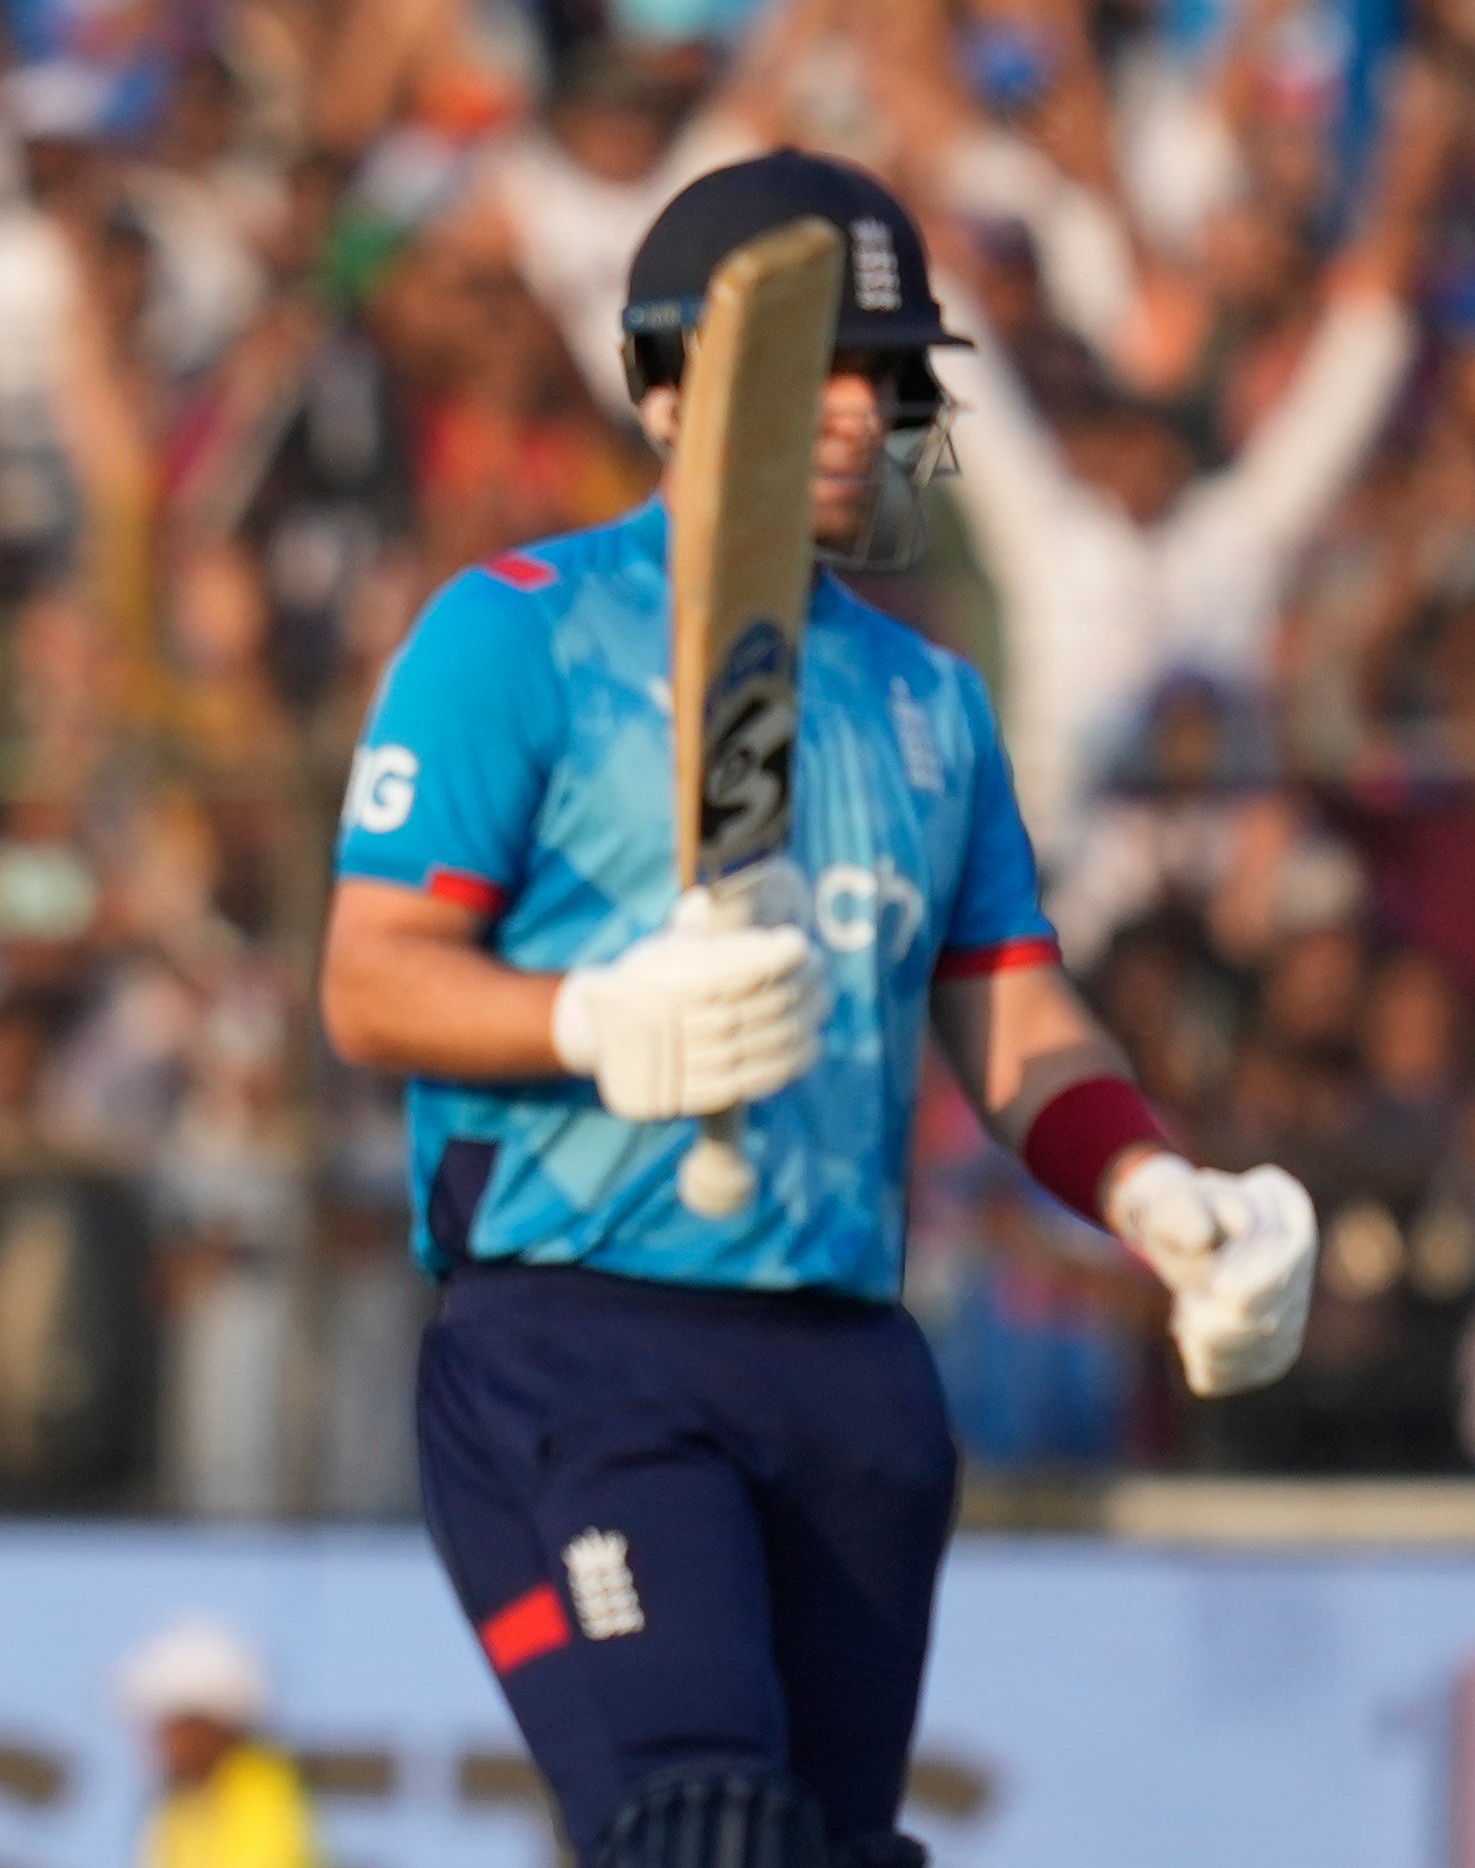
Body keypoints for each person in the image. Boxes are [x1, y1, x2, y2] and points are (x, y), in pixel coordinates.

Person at [318, 151, 1320, 1868]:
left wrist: (1157, 1188)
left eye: (885, 370)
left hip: (852, 1366)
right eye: (815, 364)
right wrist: (595, 1025)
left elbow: (1011, 1014)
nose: (854, 408)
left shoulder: (928, 696)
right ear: (658, 386)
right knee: (703, 1824)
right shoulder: (517, 633)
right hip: (584, 1339)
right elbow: (368, 983)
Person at [116, 1616, 321, 1868]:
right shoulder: (174, 1808)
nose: (165, 1741)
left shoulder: (263, 1793)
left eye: (177, 1725)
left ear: (217, 1725)